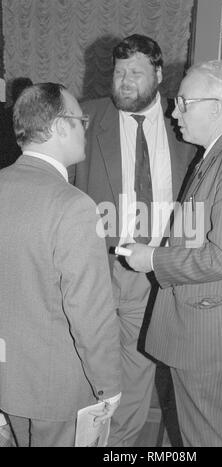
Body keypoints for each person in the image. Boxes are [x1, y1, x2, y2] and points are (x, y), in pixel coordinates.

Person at [124, 60, 222, 447]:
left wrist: (152, 260)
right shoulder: (217, 153)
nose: (174, 112)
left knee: (204, 438)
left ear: (215, 105)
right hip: (201, 326)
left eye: (183, 103)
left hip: (207, 335)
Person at [70, 34, 197, 446]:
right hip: (96, 270)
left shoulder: (187, 127)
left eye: (136, 72)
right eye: (119, 72)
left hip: (155, 275)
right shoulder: (85, 120)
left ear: (159, 75)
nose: (124, 81)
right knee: (84, 368)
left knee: (138, 375)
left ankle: (119, 449)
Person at [0, 82, 121, 447]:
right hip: (56, 392)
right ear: (58, 126)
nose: (85, 127)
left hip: (8, 383)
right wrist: (109, 385)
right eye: (80, 119)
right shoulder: (73, 206)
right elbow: (91, 313)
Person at [0, 77, 33, 169]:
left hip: (5, 168)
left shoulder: (3, 115)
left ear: (12, 94)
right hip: (27, 167)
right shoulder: (36, 118)